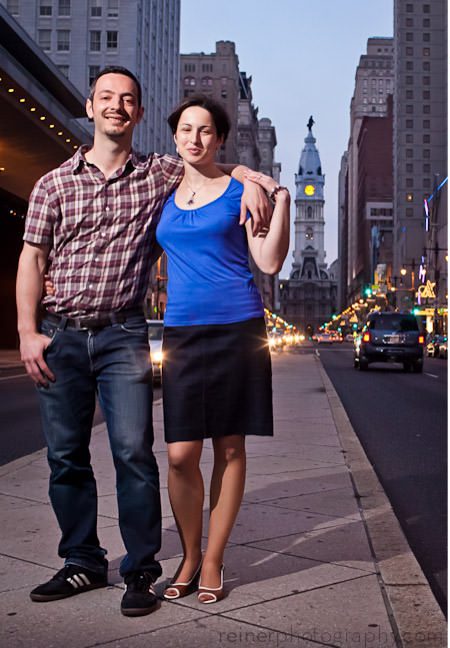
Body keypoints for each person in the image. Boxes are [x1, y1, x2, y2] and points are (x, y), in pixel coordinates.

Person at [16, 66, 270, 617]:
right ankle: (81, 560)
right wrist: (27, 332)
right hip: (59, 333)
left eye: (128, 99)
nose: (117, 106)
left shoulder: (158, 173)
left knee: (134, 452)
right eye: (106, 97)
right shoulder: (53, 183)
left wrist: (252, 176)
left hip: (125, 332)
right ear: (90, 108)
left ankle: (141, 569)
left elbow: (211, 169)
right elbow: (32, 259)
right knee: (65, 457)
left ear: (139, 113)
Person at [157, 96, 289, 604]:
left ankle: (211, 560)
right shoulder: (162, 187)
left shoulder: (241, 191)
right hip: (182, 334)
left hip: (237, 326)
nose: (194, 138)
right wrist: (252, 175)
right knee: (179, 454)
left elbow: (270, 261)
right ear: (175, 137)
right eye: (186, 129)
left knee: (230, 446)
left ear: (219, 138)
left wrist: (279, 197)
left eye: (205, 130)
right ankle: (189, 554)